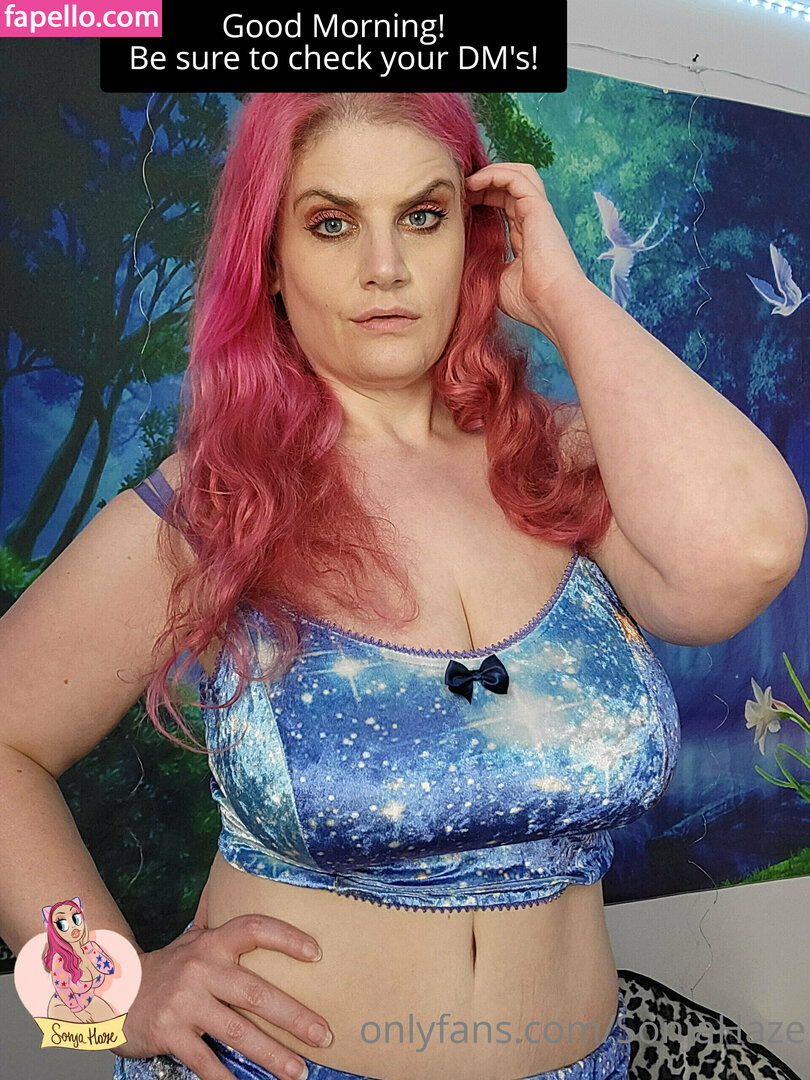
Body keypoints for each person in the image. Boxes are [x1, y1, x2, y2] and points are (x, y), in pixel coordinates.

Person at [0, 92, 805, 1080]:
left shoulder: (553, 461)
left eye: (423, 216)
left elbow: (750, 553)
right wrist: (101, 1000)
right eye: (331, 224)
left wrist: (565, 298)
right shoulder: (217, 504)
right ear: (271, 259)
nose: (384, 266)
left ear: (474, 238)